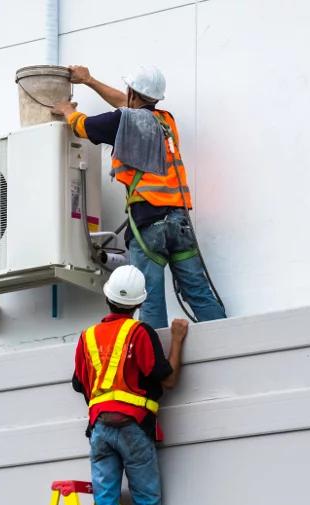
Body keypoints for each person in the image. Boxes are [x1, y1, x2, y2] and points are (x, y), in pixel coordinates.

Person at [53, 64, 226, 331]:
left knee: (150, 301)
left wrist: (66, 110)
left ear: (133, 92)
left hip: (148, 223)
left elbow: (83, 127)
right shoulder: (166, 121)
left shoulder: (122, 121)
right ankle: (225, 339)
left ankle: (153, 358)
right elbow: (128, 104)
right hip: (180, 223)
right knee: (197, 291)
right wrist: (89, 81)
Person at [71, 265, 188, 505]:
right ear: (139, 303)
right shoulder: (140, 333)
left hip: (100, 431)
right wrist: (177, 340)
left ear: (107, 296)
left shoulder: (87, 337)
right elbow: (167, 380)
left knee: (106, 502)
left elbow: (80, 383)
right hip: (133, 429)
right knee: (147, 501)